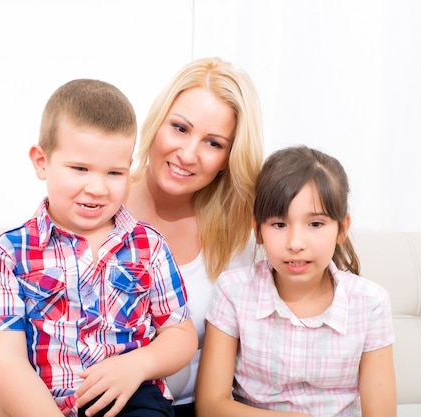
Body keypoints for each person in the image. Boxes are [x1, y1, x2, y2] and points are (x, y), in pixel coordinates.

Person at [0, 79, 197, 417]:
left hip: (129, 398)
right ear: (41, 161)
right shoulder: (11, 252)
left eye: (114, 172)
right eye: (80, 169)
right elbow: (3, 359)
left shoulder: (148, 245)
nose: (97, 188)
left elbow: (180, 334)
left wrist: (138, 365)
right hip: (42, 403)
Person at [196, 146, 397, 417]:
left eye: (315, 224)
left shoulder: (370, 303)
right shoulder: (233, 291)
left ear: (342, 229)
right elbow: (210, 405)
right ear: (257, 230)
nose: (295, 244)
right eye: (279, 224)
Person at [124, 57, 265, 417]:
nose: (187, 155)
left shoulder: (239, 233)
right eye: (180, 128)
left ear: (228, 159)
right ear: (157, 122)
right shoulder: (97, 198)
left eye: (213, 143)